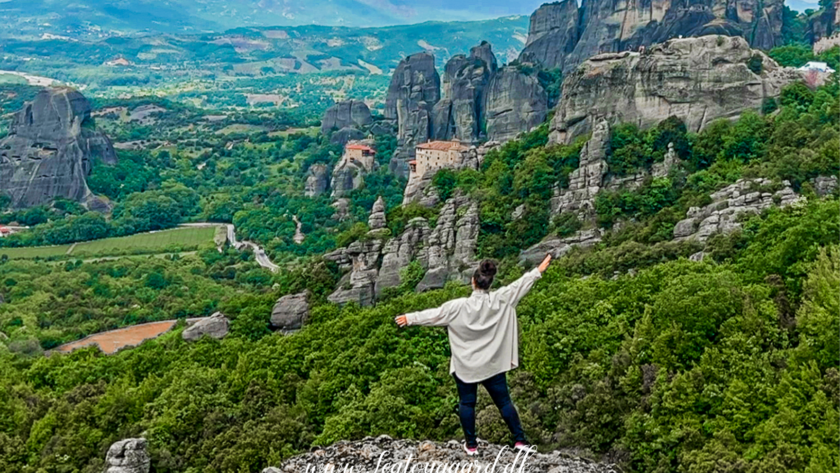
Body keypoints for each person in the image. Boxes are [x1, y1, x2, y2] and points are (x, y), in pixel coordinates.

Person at [395, 254, 552, 456]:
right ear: (490, 282)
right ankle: (520, 441)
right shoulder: (501, 299)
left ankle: (471, 445)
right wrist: (537, 271)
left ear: (472, 281)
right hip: (492, 365)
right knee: (504, 403)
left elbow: (434, 314)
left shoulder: (458, 306)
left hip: (466, 366)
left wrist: (410, 318)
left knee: (467, 403)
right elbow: (520, 285)